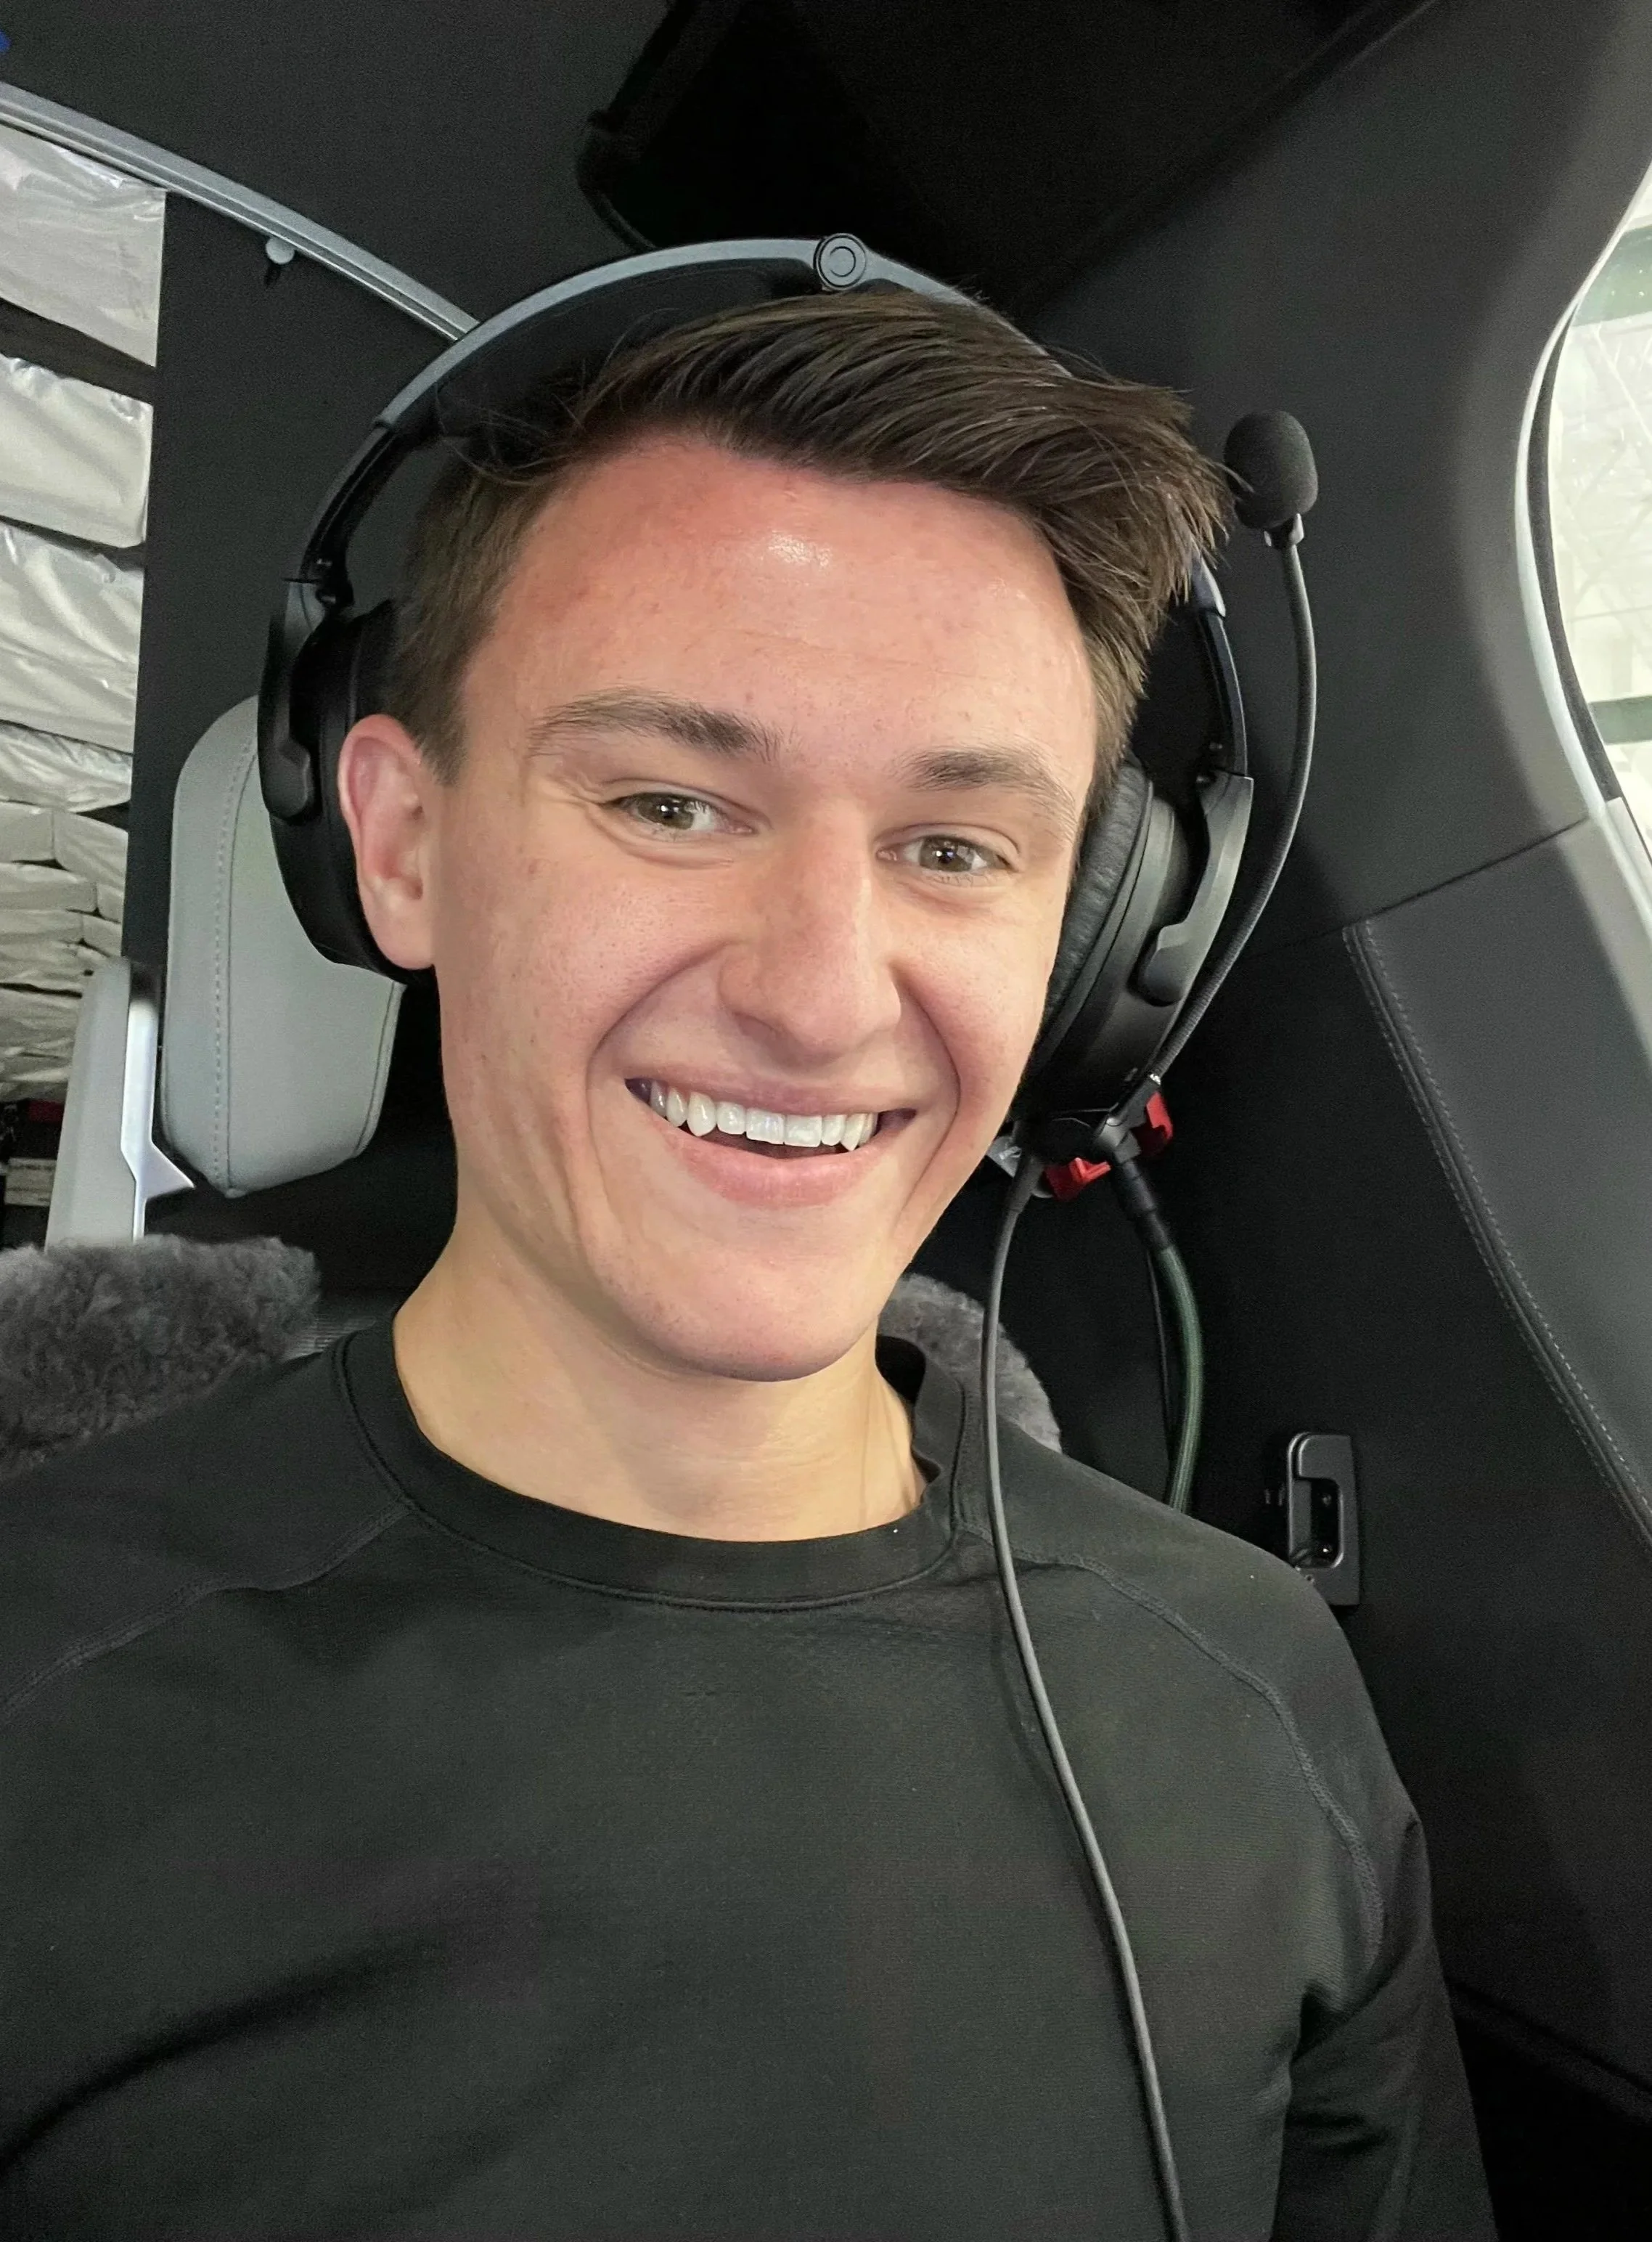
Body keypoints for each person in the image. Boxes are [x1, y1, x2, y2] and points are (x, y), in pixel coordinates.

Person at [0, 288, 1494, 2239]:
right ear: (399, 843)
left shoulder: (1252, 1699)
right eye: (670, 804)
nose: (812, 995)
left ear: (1101, 940)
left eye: (956, 847)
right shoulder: (46, 1682)